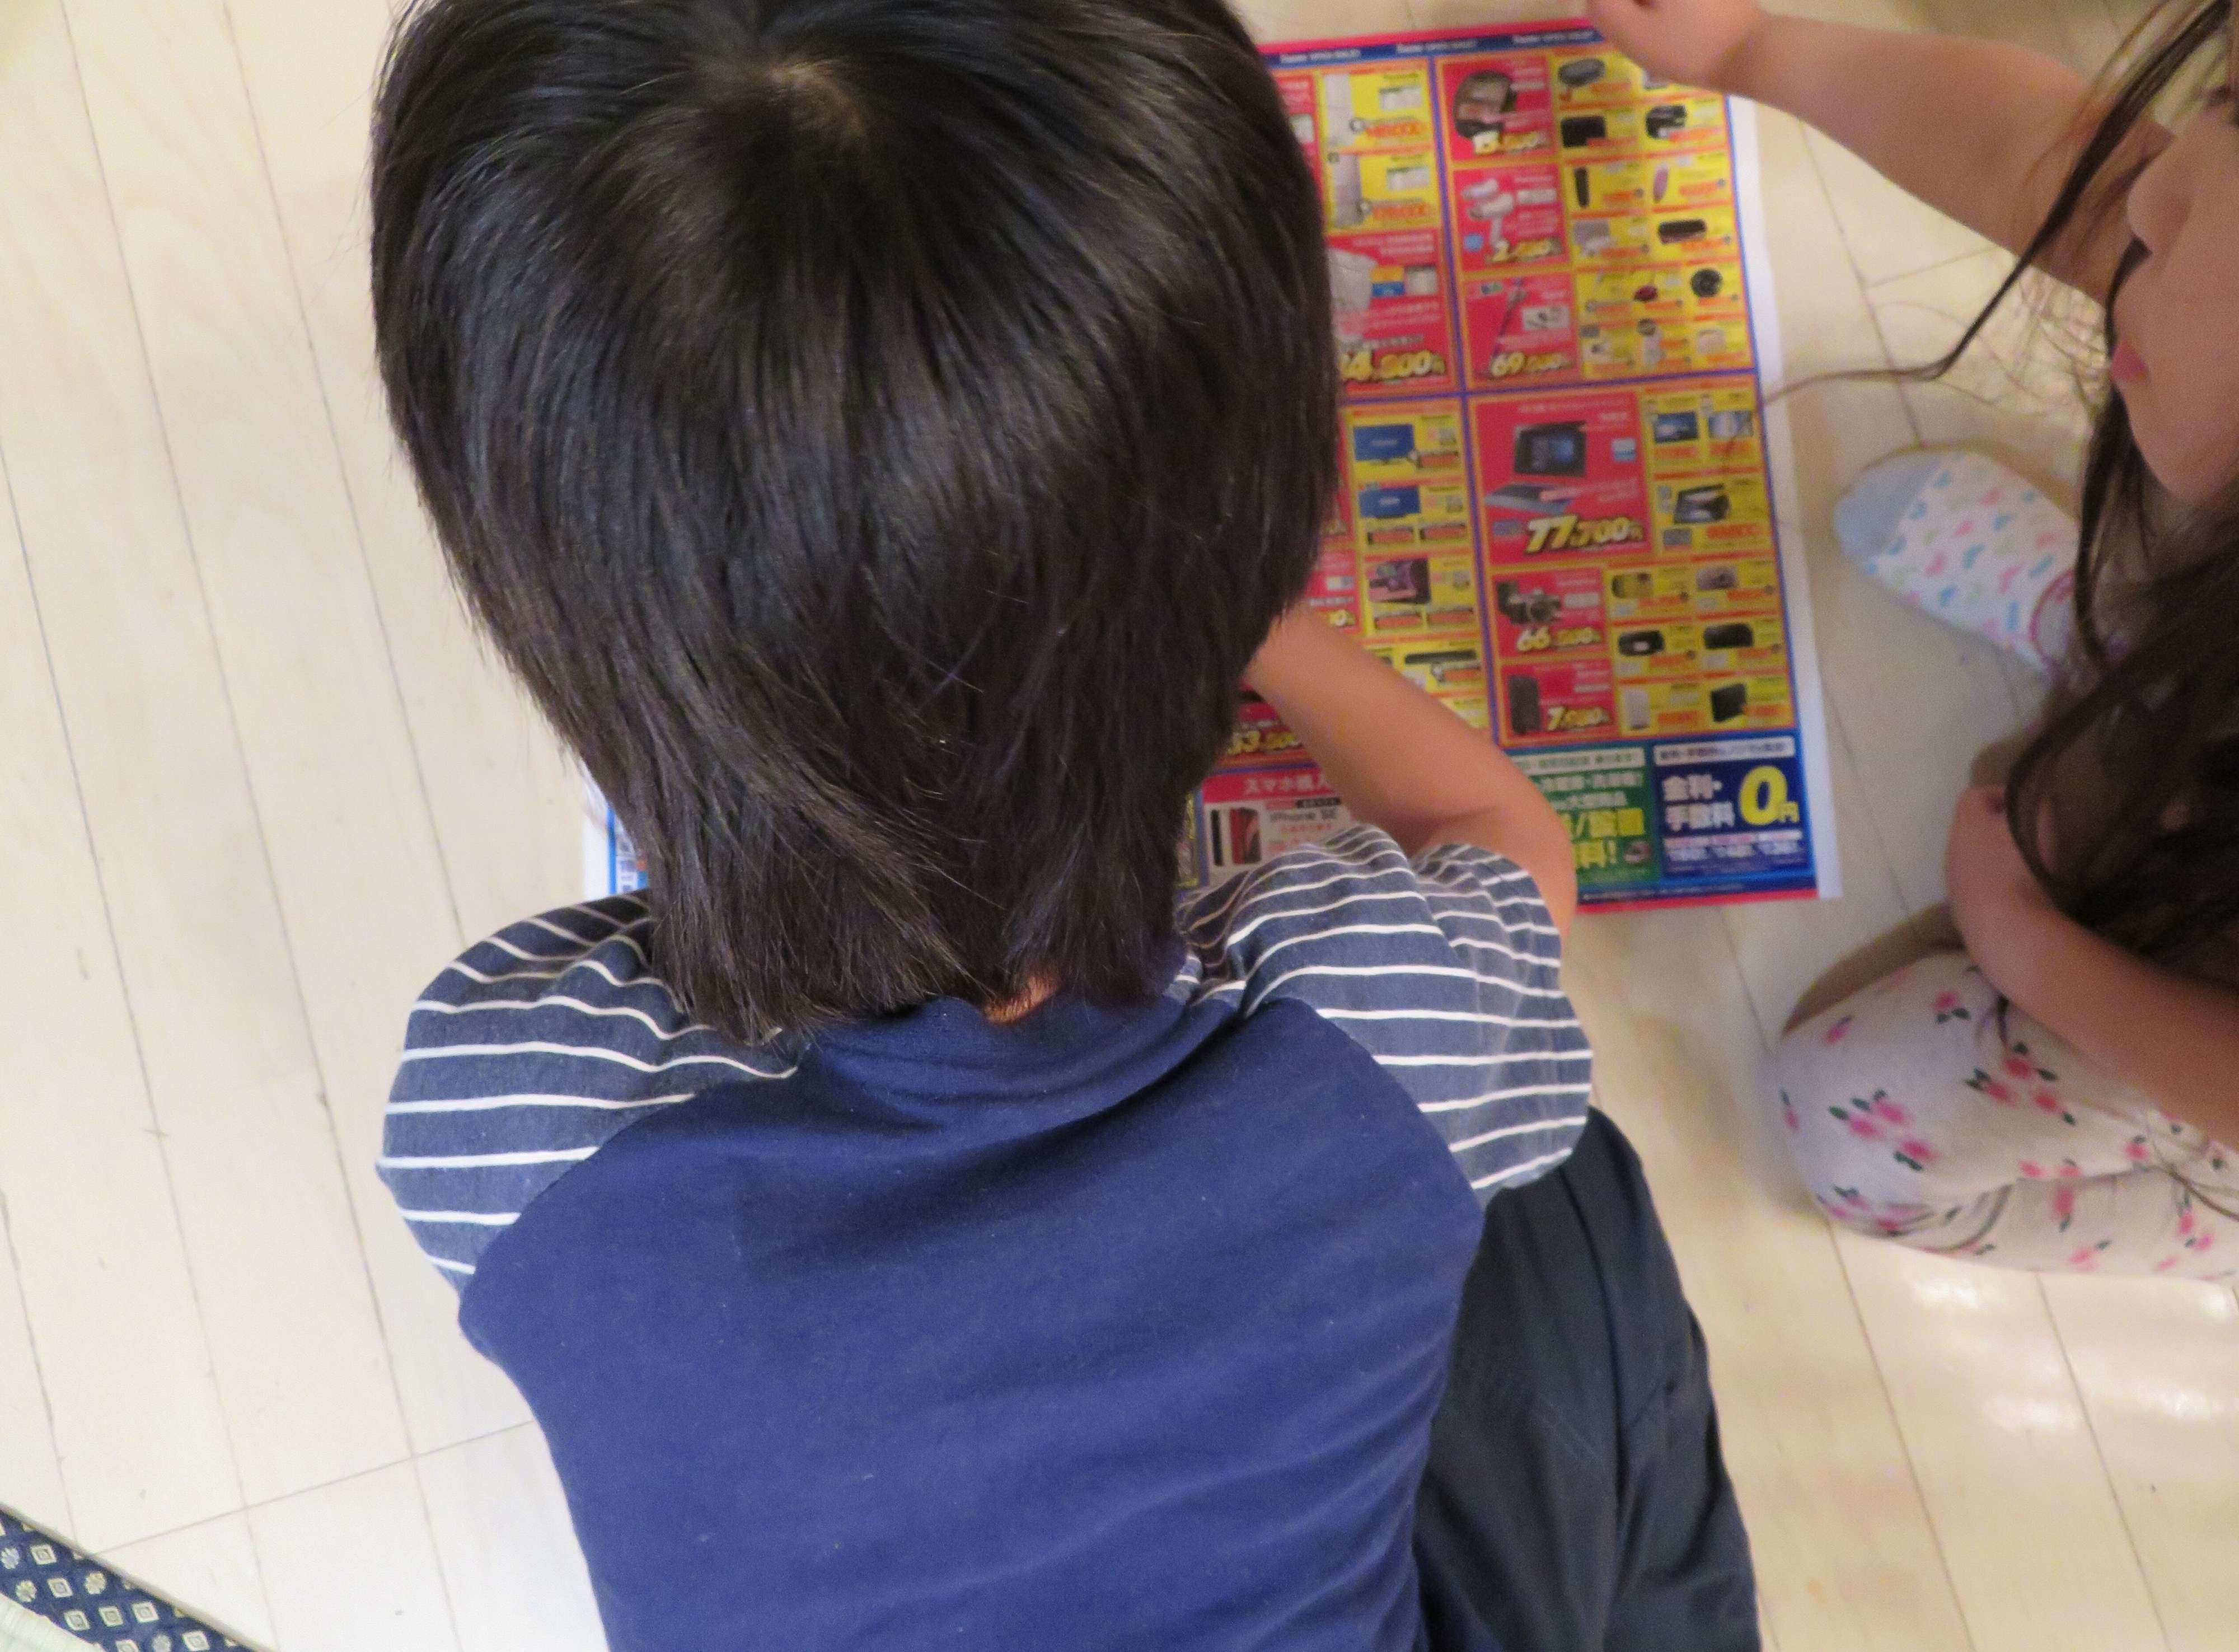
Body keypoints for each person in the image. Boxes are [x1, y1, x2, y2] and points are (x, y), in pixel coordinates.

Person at [368, 0, 1757, 1646]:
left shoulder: (505, 1128)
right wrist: (1210, 588)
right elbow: (1489, 827)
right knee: (1554, 1162)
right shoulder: (1386, 1030)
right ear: (1252, 531)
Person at [1591, 0, 2239, 1275]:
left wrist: (2030, 950)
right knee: (2159, 563)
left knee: (1845, 1118)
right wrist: (1744, 51)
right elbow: (2040, 157)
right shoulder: (2200, 266)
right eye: (2225, 107)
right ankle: (2118, 645)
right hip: (2190, 657)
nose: (2158, 192)